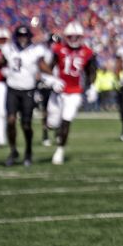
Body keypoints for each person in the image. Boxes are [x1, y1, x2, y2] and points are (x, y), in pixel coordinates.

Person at [0, 25, 53, 167]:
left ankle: (28, 150)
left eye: (25, 36)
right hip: (12, 89)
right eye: (20, 36)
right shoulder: (8, 48)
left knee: (26, 125)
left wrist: (53, 77)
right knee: (10, 120)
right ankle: (13, 150)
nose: (23, 38)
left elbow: (42, 65)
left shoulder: (36, 50)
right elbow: (0, 62)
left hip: (28, 90)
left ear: (29, 36)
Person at [45, 22, 97, 164]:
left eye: (76, 37)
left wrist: (91, 86)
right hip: (59, 91)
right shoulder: (58, 49)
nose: (74, 39)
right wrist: (52, 80)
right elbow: (48, 67)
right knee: (52, 124)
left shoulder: (87, 52)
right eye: (71, 37)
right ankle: (57, 133)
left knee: (66, 120)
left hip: (75, 92)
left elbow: (91, 71)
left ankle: (60, 150)